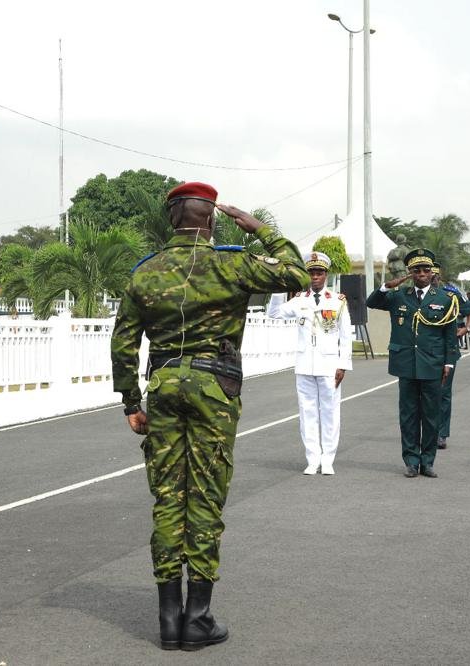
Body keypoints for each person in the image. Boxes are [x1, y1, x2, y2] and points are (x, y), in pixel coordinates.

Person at [110, 182, 309, 651]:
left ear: (171, 220)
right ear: (212, 221)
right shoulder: (232, 261)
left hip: (161, 388)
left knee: (167, 497)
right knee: (203, 495)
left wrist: (131, 402)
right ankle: (196, 618)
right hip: (214, 386)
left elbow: (122, 342)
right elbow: (298, 274)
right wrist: (261, 229)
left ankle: (166, 618)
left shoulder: (146, 272)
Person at [366, 248, 459, 478]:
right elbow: (372, 302)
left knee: (430, 415)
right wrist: (387, 285)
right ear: (410, 272)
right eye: (416, 270)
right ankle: (410, 460)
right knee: (408, 415)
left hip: (433, 364)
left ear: (432, 272)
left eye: (426, 269)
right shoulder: (399, 295)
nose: (422, 273)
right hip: (406, 363)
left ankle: (427, 461)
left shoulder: (445, 299)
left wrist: (449, 363)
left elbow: (450, 334)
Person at [267, 251, 352, 475]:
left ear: (326, 275)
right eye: (311, 272)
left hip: (329, 365)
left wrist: (342, 365)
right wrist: (279, 285)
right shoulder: (299, 300)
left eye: (319, 272)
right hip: (305, 363)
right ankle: (312, 459)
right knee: (307, 413)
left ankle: (328, 459)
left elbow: (345, 336)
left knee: (330, 412)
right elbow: (274, 313)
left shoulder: (337, 300)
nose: (315, 276)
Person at [431, 262, 470, 449]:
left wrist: (466, 328)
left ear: (439, 276)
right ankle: (426, 432)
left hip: (446, 348)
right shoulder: (414, 293)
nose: (430, 277)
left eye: (433, 275)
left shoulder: (452, 292)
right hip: (424, 349)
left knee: (442, 392)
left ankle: (441, 434)